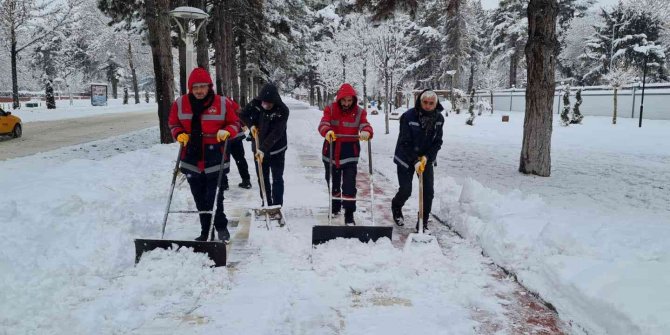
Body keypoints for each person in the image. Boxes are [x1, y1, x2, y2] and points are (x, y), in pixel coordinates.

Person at [168, 67, 241, 243]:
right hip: (191, 157)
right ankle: (205, 230)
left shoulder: (222, 103)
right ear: (190, 88)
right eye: (195, 87)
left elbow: (235, 123)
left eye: (203, 86)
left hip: (215, 156)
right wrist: (179, 134)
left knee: (215, 196)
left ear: (209, 86)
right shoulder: (180, 103)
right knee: (199, 197)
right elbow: (173, 123)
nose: (199, 91)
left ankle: (221, 227)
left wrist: (227, 131)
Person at [318, 83, 373, 226]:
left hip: (349, 152)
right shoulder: (330, 109)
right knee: (333, 183)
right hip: (331, 150)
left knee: (349, 186)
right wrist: (327, 131)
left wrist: (366, 131)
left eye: (349, 101)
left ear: (354, 100)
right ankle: (335, 206)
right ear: (339, 99)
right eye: (344, 100)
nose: (347, 104)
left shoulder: (360, 112)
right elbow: (323, 123)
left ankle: (349, 214)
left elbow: (364, 124)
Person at [391, 89, 444, 234]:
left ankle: (422, 222)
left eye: (431, 103)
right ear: (420, 102)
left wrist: (427, 157)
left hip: (425, 159)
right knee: (406, 190)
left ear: (435, 104)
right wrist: (414, 161)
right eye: (425, 102)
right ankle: (396, 206)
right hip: (405, 157)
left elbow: (437, 142)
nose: (427, 106)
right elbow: (404, 141)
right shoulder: (408, 116)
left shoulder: (439, 119)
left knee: (428, 191)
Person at [239, 83, 289, 211]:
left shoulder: (282, 110)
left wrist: (263, 149)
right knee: (262, 177)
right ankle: (266, 202)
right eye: (264, 103)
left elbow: (276, 133)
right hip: (258, 147)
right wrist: (251, 126)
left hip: (277, 149)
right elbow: (242, 114)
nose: (266, 106)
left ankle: (277, 205)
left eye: (269, 104)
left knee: (277, 178)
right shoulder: (256, 103)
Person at [221, 121, 252, 190]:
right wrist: (243, 124)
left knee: (224, 160)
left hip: (225, 137)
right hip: (236, 135)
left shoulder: (222, 110)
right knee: (240, 159)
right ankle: (246, 180)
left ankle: (224, 183)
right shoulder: (234, 110)